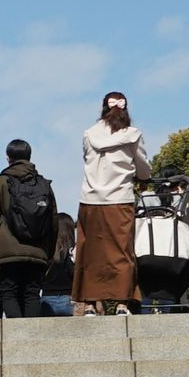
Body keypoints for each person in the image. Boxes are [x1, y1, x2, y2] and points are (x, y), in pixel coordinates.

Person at [75, 90, 149, 314]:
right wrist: (142, 178)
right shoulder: (133, 135)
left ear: (103, 108)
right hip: (119, 199)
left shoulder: (89, 134)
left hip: (90, 200)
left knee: (90, 251)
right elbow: (143, 167)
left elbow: (87, 159)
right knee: (121, 251)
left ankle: (89, 303)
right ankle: (121, 303)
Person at [0, 139, 59, 321]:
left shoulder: (1, 182)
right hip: (38, 249)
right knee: (32, 293)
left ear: (8, 157)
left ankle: (16, 333)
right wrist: (49, 252)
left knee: (9, 291)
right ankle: (31, 334)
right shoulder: (43, 185)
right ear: (29, 156)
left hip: (8, 249)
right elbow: (53, 220)